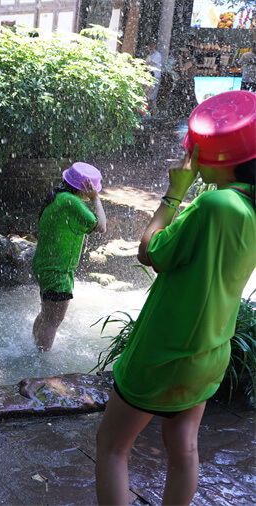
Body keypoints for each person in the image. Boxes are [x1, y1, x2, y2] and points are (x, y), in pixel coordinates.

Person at [95, 92, 256, 505]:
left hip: (164, 351)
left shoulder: (214, 204)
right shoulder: (249, 208)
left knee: (112, 447)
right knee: (183, 446)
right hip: (210, 350)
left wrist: (174, 192)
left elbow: (150, 253)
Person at [31, 162, 107, 352]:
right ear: (86, 188)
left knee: (46, 314)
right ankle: (41, 362)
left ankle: (33, 349)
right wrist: (95, 199)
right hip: (58, 271)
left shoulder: (57, 196)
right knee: (53, 320)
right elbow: (101, 226)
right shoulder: (72, 202)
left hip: (44, 265)